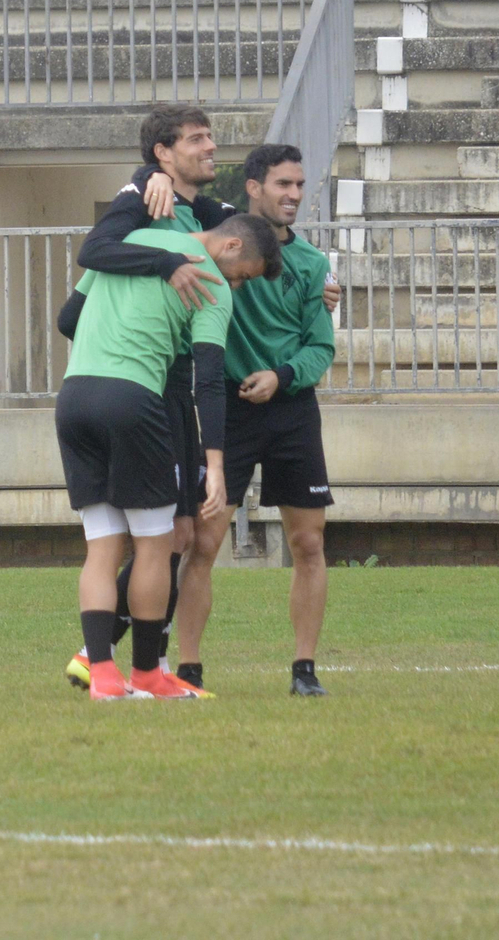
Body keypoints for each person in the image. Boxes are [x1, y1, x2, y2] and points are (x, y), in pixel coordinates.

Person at [61, 107, 340, 692]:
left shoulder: (198, 224)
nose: (212, 148)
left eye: (299, 184)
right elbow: (94, 257)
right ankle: (144, 667)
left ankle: (119, 663)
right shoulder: (149, 214)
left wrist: (288, 362)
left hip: (87, 392)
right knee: (164, 537)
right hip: (161, 398)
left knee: (153, 537)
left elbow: (73, 313)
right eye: (198, 140)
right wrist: (162, 269)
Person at [61, 213, 282, 700]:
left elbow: (67, 320)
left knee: (102, 546)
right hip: (135, 400)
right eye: (242, 274)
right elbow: (207, 382)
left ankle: (101, 676)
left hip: (73, 398)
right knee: (156, 545)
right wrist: (217, 467)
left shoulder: (132, 240)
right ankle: (146, 674)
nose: (237, 286)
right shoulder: (209, 285)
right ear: (228, 247)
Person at [172, 145, 336, 698]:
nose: (293, 195)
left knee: (308, 543)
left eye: (300, 185)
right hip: (228, 410)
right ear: (253, 187)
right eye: (283, 184)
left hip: (291, 410)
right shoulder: (218, 240)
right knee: (204, 541)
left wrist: (283, 375)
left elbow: (321, 347)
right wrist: (147, 180)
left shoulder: (313, 265)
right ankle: (188, 669)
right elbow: (166, 197)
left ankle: (304, 670)